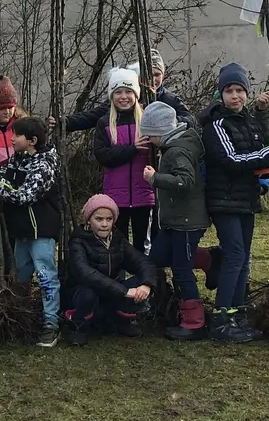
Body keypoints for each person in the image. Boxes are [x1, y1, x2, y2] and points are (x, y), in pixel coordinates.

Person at [198, 63, 269, 343]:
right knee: (233, 256)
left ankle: (238, 312)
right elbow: (231, 160)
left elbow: (266, 144)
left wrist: (264, 119)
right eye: (229, 91)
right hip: (224, 201)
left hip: (247, 199)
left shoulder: (249, 121)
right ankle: (221, 318)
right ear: (221, 94)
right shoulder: (216, 125)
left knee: (244, 259)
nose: (235, 96)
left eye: (240, 90)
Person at [0, 116, 63, 347]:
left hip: (41, 231)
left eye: (17, 135)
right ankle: (21, 316)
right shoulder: (20, 157)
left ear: (32, 140)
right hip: (22, 231)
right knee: (20, 275)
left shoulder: (44, 165)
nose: (12, 138)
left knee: (46, 276)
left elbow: (23, 195)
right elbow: (4, 173)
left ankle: (51, 324)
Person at [140, 100, 210, 341]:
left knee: (181, 269)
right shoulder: (175, 145)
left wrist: (155, 178)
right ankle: (212, 260)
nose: (149, 140)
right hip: (175, 221)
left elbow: (185, 181)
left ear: (160, 132)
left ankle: (194, 322)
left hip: (186, 222)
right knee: (157, 258)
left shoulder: (177, 150)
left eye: (150, 135)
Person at [63, 193, 158, 346]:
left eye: (109, 219)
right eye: (98, 219)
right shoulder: (78, 241)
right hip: (82, 295)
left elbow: (142, 262)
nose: (104, 224)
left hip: (112, 293)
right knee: (88, 292)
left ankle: (121, 321)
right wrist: (124, 291)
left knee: (141, 280)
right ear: (88, 220)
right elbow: (85, 273)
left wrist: (146, 285)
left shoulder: (118, 239)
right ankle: (78, 328)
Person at [88, 67, 156, 255]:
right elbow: (103, 155)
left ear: (136, 94)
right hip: (116, 197)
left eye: (128, 91)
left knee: (144, 245)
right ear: (111, 96)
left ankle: (146, 280)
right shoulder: (104, 123)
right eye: (118, 92)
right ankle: (119, 282)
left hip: (145, 195)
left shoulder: (148, 121)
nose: (123, 96)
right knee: (119, 244)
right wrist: (132, 149)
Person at [64, 50, 192, 132]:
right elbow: (92, 116)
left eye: (157, 74)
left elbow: (191, 120)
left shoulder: (170, 100)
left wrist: (169, 121)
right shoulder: (129, 98)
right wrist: (65, 122)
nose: (152, 79)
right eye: (148, 74)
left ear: (163, 75)